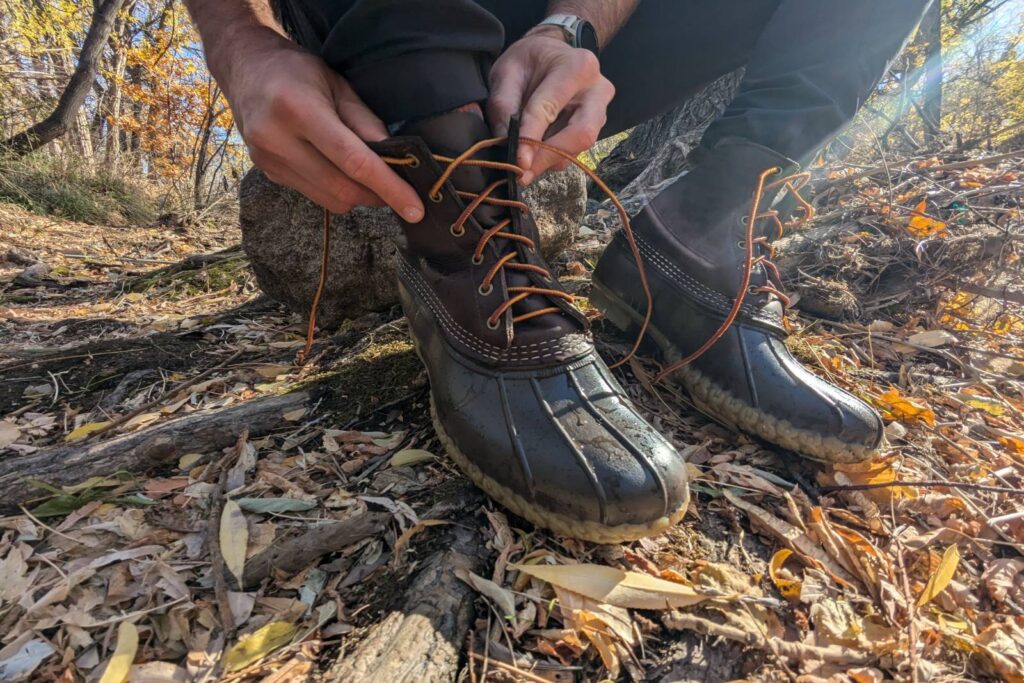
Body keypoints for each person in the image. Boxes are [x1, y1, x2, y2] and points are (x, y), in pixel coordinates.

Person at [185, 0, 932, 542]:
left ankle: (695, 235)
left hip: (543, 43)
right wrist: (239, 41)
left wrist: (569, 25)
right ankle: (453, 240)